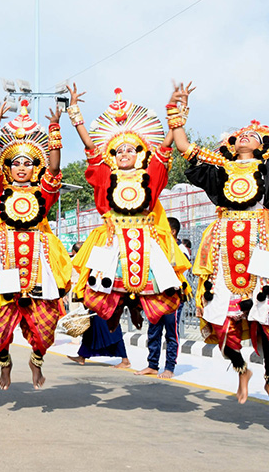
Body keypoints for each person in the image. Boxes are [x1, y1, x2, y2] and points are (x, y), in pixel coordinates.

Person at [170, 75, 269, 415]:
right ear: (232, 143)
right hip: (223, 242)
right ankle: (241, 368)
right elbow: (184, 148)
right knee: (219, 313)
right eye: (240, 135)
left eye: (253, 135)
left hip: (262, 241)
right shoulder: (220, 167)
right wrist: (177, 109)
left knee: (266, 313)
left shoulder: (268, 166)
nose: (245, 136)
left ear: (262, 144)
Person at [66, 86, 190, 381]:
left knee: (163, 295)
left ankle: (155, 346)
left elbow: (165, 149)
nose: (124, 153)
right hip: (112, 242)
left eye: (130, 149)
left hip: (147, 241)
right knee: (95, 294)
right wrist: (76, 117)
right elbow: (91, 152)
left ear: (140, 154)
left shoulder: (151, 175)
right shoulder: (106, 177)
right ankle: (123, 317)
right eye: (118, 150)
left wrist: (176, 113)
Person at [0, 100, 72, 390]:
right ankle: (5, 364)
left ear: (34, 167)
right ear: (8, 167)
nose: (20, 167)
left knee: (45, 326)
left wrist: (55, 129)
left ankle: (37, 361)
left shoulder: (44, 193)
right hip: (4, 256)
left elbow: (54, 169)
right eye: (15, 162)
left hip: (39, 261)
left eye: (27, 162)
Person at [140, 217, 185, 379]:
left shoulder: (179, 249)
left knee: (171, 333)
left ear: (171, 231)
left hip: (172, 296)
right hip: (156, 296)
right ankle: (152, 365)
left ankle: (170, 367)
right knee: (153, 331)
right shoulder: (155, 247)